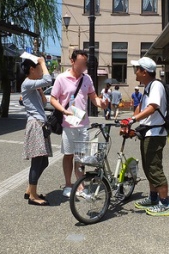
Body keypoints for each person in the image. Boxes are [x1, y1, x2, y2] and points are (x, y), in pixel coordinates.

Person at [50, 50, 107, 197]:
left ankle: (80, 184)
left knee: (81, 156)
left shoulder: (87, 78)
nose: (83, 66)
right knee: (68, 155)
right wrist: (63, 110)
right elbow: (53, 98)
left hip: (83, 124)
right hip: (68, 123)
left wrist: (102, 104)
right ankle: (68, 184)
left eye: (85, 63)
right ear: (73, 61)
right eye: (81, 63)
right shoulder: (62, 78)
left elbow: (93, 97)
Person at [121, 57, 169, 217]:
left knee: (154, 169)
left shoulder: (156, 85)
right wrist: (126, 123)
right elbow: (140, 111)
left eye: (137, 68)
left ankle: (164, 203)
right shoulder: (148, 87)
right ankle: (153, 197)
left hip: (156, 134)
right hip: (149, 133)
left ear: (144, 72)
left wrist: (132, 120)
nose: (135, 71)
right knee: (148, 167)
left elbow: (153, 107)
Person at [21, 57, 53, 206]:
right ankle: (33, 196)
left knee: (44, 161)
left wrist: (39, 91)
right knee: (37, 161)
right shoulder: (27, 83)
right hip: (35, 125)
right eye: (39, 67)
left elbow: (45, 102)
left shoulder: (33, 85)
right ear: (32, 69)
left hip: (40, 124)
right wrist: (43, 62)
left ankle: (30, 189)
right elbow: (49, 80)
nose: (41, 69)